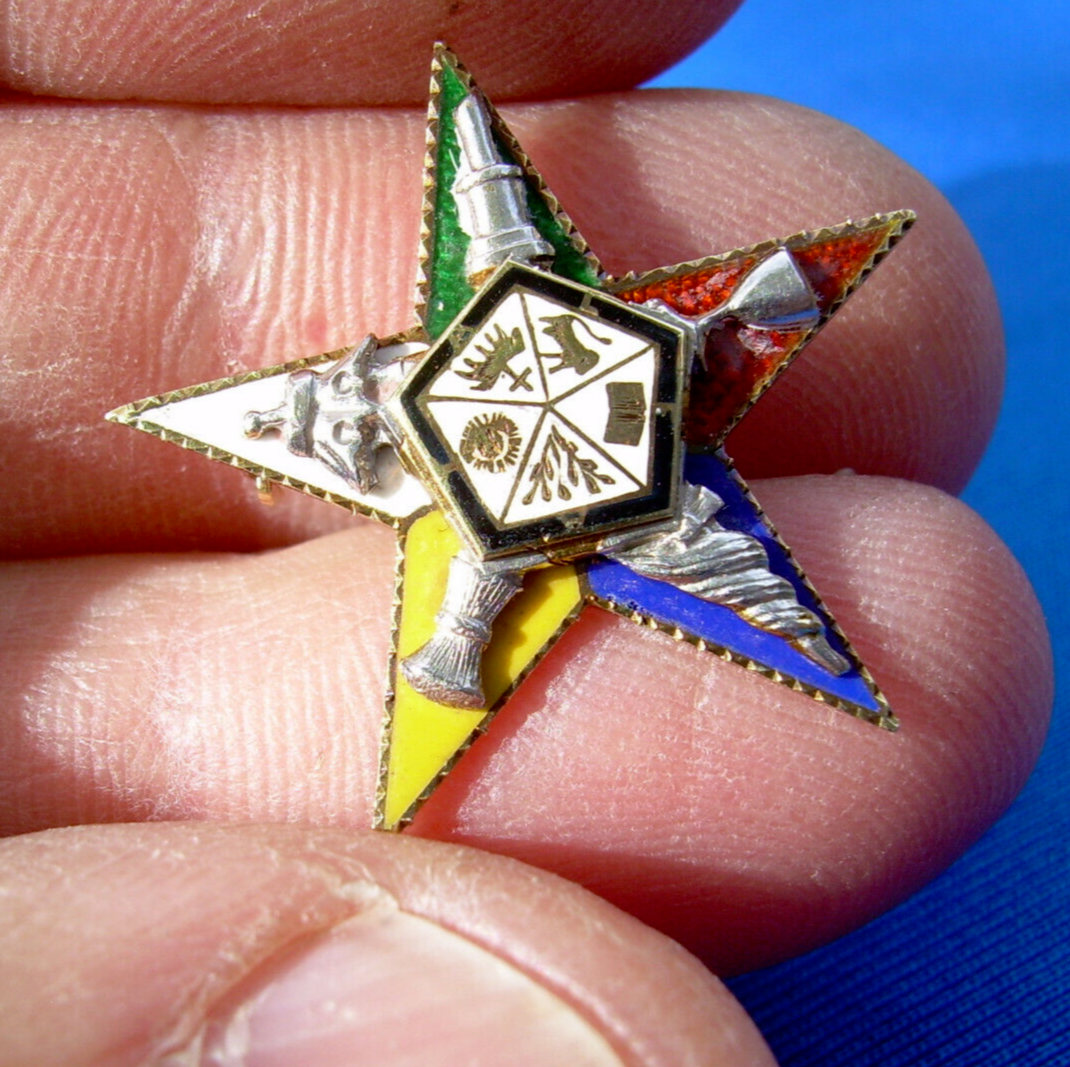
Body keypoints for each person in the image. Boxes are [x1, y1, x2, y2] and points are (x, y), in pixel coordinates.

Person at [0, 1, 1052, 1063]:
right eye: (352, 422)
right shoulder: (505, 403)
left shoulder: (548, 329)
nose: (361, 408)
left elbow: (519, 246)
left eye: (356, 397)